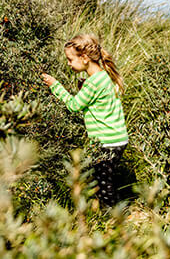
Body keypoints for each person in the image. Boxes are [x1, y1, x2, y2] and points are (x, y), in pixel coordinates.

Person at [41, 34, 128, 209]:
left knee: (103, 184)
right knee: (105, 179)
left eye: (70, 59)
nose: (68, 63)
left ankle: (117, 216)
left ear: (84, 58)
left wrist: (55, 86)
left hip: (107, 142)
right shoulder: (104, 76)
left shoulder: (93, 83)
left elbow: (74, 106)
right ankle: (116, 211)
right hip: (118, 138)